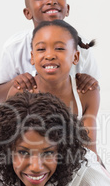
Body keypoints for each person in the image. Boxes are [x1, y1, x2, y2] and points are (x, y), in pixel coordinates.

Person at [0, 0, 100, 103]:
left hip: (67, 116)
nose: (51, 1)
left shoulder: (81, 46)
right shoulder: (15, 47)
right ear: (28, 13)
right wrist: (15, 84)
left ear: (67, 9)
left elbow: (93, 90)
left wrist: (88, 82)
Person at [7, 19, 100, 156]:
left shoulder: (86, 93)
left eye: (60, 48)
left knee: (102, 176)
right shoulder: (20, 91)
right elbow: (7, 142)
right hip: (30, 164)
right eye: (41, 49)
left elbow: (90, 150)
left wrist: (101, 174)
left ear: (75, 57)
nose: (49, 55)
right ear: (32, 57)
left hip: (70, 164)